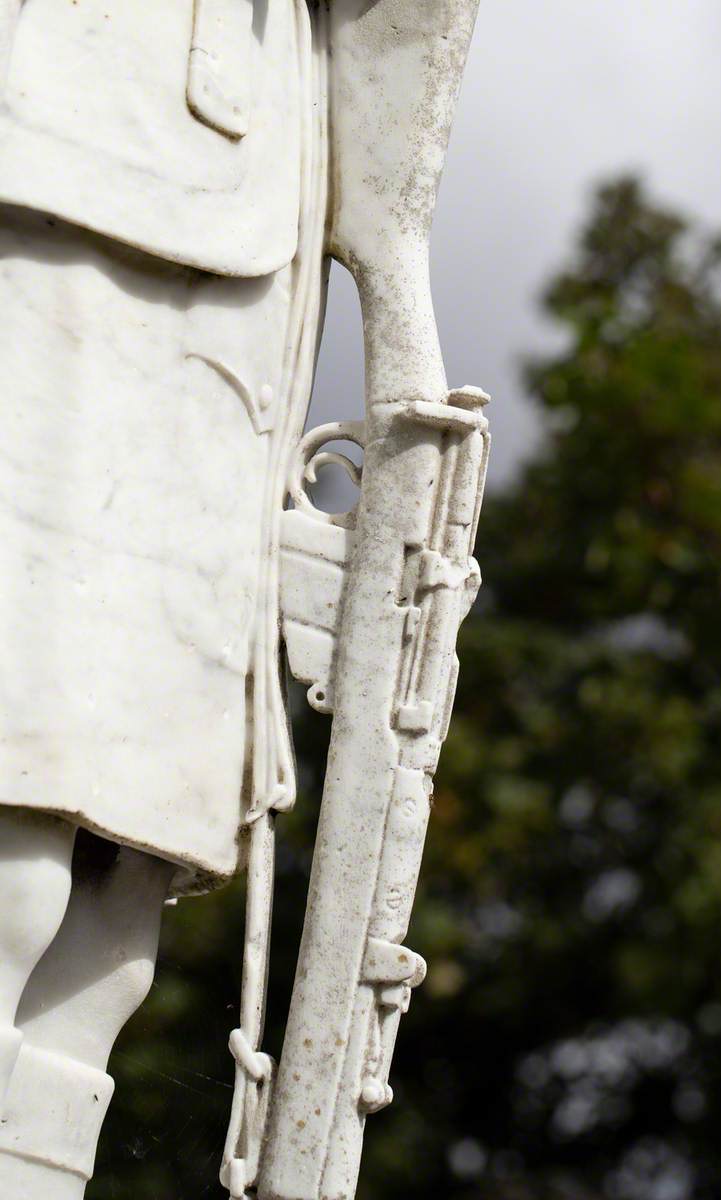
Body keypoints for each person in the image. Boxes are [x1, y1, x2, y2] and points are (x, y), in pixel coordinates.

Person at [0, 2, 326, 1195]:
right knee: (15, 874)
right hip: (56, 143)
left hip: (238, 183)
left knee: (111, 935)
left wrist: (390, 266)